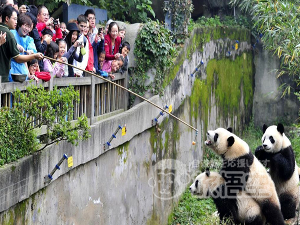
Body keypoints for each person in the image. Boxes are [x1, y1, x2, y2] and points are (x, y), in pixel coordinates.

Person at [0, 5, 43, 82]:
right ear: (7, 19)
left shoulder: (29, 39)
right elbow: (18, 58)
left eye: (29, 27)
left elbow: (25, 59)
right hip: (5, 75)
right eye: (14, 19)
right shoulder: (9, 34)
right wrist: (34, 56)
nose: (16, 22)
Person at [9, 13, 37, 82]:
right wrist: (15, 45)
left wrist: (31, 52)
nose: (27, 29)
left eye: (29, 27)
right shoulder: (11, 33)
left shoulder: (29, 39)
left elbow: (32, 50)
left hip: (23, 71)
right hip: (11, 68)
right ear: (20, 24)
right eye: (25, 25)